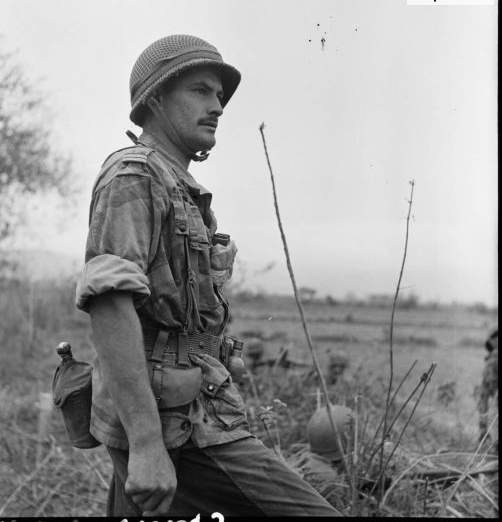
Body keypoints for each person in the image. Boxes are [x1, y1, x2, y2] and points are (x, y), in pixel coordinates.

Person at [75, 34, 341, 517]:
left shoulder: (178, 185)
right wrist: (147, 445)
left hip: (193, 408)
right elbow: (109, 307)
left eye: (219, 95)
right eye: (200, 90)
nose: (217, 105)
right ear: (154, 98)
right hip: (176, 425)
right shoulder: (135, 176)